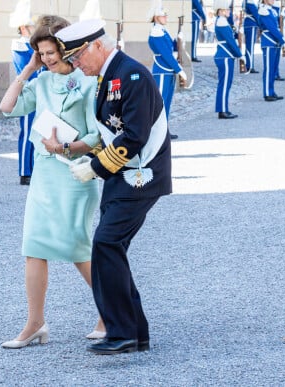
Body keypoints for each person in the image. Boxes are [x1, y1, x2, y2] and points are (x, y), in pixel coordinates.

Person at [56, 18, 173, 355]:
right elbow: (112, 131)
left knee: (107, 243)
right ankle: (132, 332)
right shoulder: (110, 75)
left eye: (78, 56)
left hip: (140, 174)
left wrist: (94, 167)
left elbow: (134, 135)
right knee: (110, 246)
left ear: (97, 45)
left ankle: (124, 331)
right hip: (122, 175)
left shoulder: (131, 75)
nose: (76, 64)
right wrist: (89, 155)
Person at [0, 15, 105, 349]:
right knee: (33, 247)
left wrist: (65, 147)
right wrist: (27, 71)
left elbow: (96, 137)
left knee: (78, 248)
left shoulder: (88, 82)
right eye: (41, 53)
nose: (47, 58)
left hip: (75, 175)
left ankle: (109, 313)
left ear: (65, 48)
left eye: (51, 52)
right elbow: (7, 107)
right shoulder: (41, 81)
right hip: (44, 174)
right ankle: (35, 323)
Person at [9, 0, 39, 185]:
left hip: (40, 91)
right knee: (27, 131)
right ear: (23, 28)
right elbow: (26, 70)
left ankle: (34, 167)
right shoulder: (20, 46)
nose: (34, 28)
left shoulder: (34, 46)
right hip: (28, 92)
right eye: (31, 26)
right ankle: (24, 171)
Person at [148, 2, 187, 140]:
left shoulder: (162, 31)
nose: (166, 17)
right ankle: (157, 132)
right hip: (162, 70)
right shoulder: (156, 32)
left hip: (167, 70)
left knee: (167, 102)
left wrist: (178, 40)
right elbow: (166, 54)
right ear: (156, 17)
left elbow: (172, 49)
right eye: (164, 16)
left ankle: (163, 130)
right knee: (161, 102)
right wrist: (179, 69)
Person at [214, 0, 246, 118]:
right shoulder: (222, 22)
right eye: (227, 10)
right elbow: (231, 42)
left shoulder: (223, 21)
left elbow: (231, 36)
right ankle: (222, 110)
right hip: (225, 56)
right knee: (224, 84)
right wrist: (240, 55)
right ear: (221, 11)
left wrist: (238, 33)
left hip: (225, 56)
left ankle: (223, 108)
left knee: (225, 84)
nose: (229, 11)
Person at [259, 0, 285, 101]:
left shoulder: (272, 10)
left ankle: (271, 91)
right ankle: (267, 92)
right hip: (268, 42)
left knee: (273, 68)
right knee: (268, 69)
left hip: (274, 42)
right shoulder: (263, 10)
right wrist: (282, 39)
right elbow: (272, 28)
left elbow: (278, 25)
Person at [243, 0, 261, 73]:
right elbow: (256, 15)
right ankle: (250, 66)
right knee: (250, 47)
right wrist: (261, 25)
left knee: (248, 46)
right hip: (251, 24)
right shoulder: (250, 2)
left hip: (248, 23)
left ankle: (248, 65)